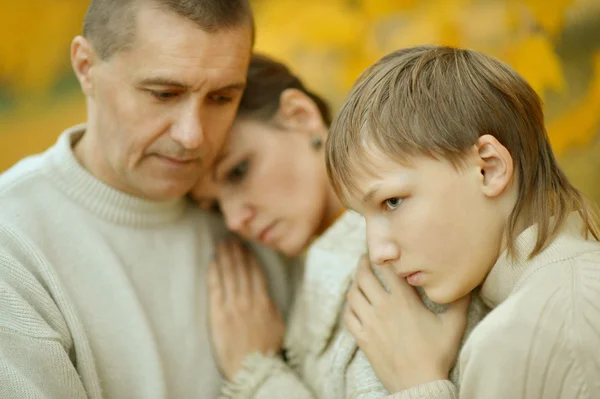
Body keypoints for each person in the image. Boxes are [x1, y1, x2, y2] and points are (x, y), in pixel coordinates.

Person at [0, 1, 296, 398]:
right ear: (86, 67)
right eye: (163, 94)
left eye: (222, 98)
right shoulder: (13, 243)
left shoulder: (258, 215)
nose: (192, 136)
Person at [190, 54, 490, 398]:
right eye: (213, 206)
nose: (233, 219)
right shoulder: (314, 274)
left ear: (299, 116)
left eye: (238, 171)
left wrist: (258, 376)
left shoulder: (402, 259)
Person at [325, 45, 600, 398]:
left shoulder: (528, 334)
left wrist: (419, 385)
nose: (378, 252)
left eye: (392, 201)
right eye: (364, 218)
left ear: (489, 168)